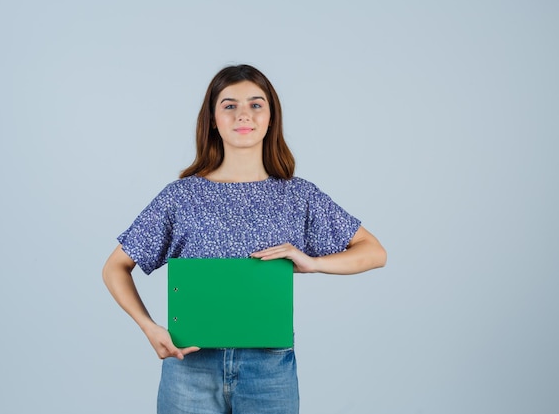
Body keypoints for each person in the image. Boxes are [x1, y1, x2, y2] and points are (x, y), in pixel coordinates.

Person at [102, 64, 387, 414]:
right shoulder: (181, 196)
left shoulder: (297, 195)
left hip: (268, 367)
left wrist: (313, 263)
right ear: (212, 119)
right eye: (229, 105)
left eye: (255, 104)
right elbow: (115, 266)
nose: (243, 115)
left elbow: (374, 252)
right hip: (190, 365)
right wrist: (149, 328)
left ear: (271, 118)